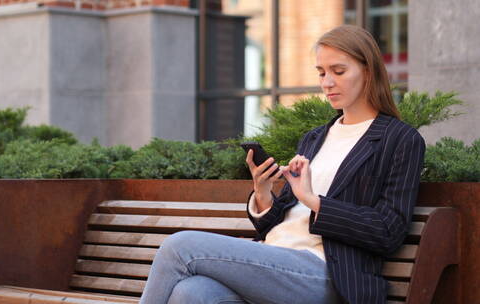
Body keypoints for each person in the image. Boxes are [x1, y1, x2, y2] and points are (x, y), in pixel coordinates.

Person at [139, 24, 425, 304]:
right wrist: (263, 195)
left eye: (339, 71)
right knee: (191, 292)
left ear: (368, 71)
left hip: (328, 274)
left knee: (179, 247)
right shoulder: (314, 139)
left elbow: (389, 230)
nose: (327, 82)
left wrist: (315, 201)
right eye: (322, 72)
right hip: (275, 262)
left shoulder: (399, 140)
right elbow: (281, 222)